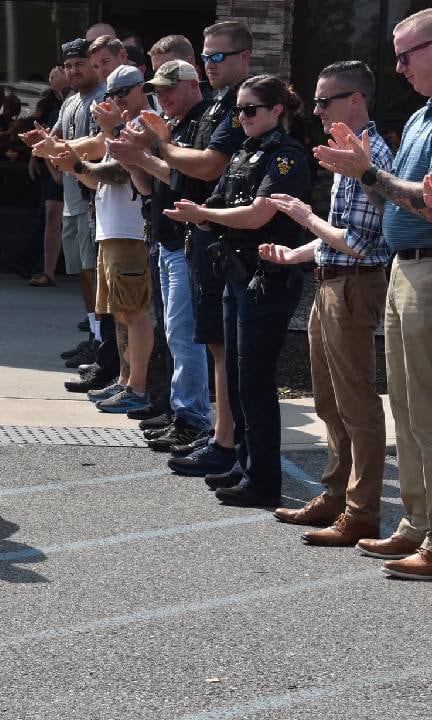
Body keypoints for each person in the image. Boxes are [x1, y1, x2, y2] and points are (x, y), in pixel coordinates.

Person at [316, 8, 432, 579]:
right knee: (406, 408)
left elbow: (426, 202)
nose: (399, 65)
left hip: (426, 271)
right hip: (405, 271)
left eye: (409, 52)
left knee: (426, 409)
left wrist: (367, 174)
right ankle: (416, 523)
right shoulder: (417, 120)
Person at [162, 74, 311, 508]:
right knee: (236, 378)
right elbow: (228, 208)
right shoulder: (246, 151)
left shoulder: (286, 157)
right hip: (234, 273)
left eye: (250, 110)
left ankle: (263, 479)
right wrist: (201, 217)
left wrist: (203, 212)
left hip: (266, 278)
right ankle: (245, 465)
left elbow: (257, 215)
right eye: (238, 110)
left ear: (277, 111)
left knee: (255, 382)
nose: (241, 118)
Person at [262, 61, 392, 546]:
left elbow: (361, 243)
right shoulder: (346, 149)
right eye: (316, 100)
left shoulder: (370, 153)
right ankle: (337, 496)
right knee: (328, 400)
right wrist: (295, 252)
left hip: (355, 284)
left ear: (356, 99)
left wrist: (305, 218)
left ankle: (362, 512)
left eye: (325, 100)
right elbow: (339, 238)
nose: (315, 109)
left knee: (357, 403)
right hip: (333, 282)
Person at [140, 21, 253, 478]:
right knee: (205, 340)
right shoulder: (215, 111)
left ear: (245, 57)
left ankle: (213, 432)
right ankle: (219, 435)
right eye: (206, 57)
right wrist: (146, 154)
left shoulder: (235, 108)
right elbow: (174, 177)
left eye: (218, 57)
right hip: (199, 238)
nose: (210, 66)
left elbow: (208, 168)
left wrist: (159, 147)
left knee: (215, 345)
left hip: (229, 243)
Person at [107, 59, 213, 450]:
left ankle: (191, 419)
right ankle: (178, 410)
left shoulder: (201, 122)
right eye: (159, 89)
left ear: (193, 85)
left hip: (187, 240)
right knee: (174, 334)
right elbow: (149, 187)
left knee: (186, 337)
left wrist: (147, 154)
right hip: (166, 238)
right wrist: (132, 158)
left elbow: (185, 178)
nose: (163, 96)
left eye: (170, 88)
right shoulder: (176, 125)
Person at [48, 65, 155, 415]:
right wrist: (71, 165)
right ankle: (125, 381)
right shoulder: (119, 129)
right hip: (111, 231)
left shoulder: (144, 125)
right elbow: (98, 182)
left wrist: (79, 165)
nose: (116, 99)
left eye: (124, 91)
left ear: (143, 90)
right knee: (122, 314)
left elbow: (118, 173)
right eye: (111, 93)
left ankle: (137, 386)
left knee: (135, 314)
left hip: (130, 233)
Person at [21, 39, 105, 382]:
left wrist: (61, 153)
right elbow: (52, 140)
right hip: (71, 200)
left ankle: (104, 344)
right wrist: (38, 145)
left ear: (93, 66)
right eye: (68, 66)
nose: (73, 71)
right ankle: (95, 337)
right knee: (82, 273)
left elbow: (98, 150)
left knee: (95, 274)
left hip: (90, 201)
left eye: (79, 65)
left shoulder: (101, 99)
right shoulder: (70, 100)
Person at [27, 65, 68, 288]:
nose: (56, 76)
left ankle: (82, 272)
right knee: (52, 214)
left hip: (71, 162)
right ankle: (48, 271)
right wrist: (36, 156)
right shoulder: (50, 101)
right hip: (51, 161)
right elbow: (43, 129)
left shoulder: (78, 95)